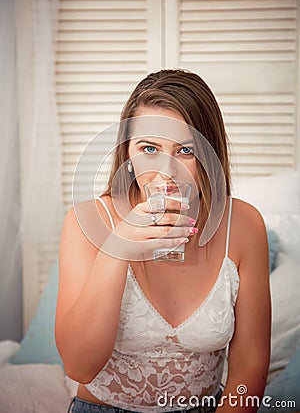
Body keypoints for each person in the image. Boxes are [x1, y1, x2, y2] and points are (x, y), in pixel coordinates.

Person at [55, 69, 271, 413]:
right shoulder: (87, 222)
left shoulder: (244, 225)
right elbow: (79, 366)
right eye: (149, 148)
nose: (167, 172)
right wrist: (118, 246)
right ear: (128, 153)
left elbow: (249, 367)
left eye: (186, 150)